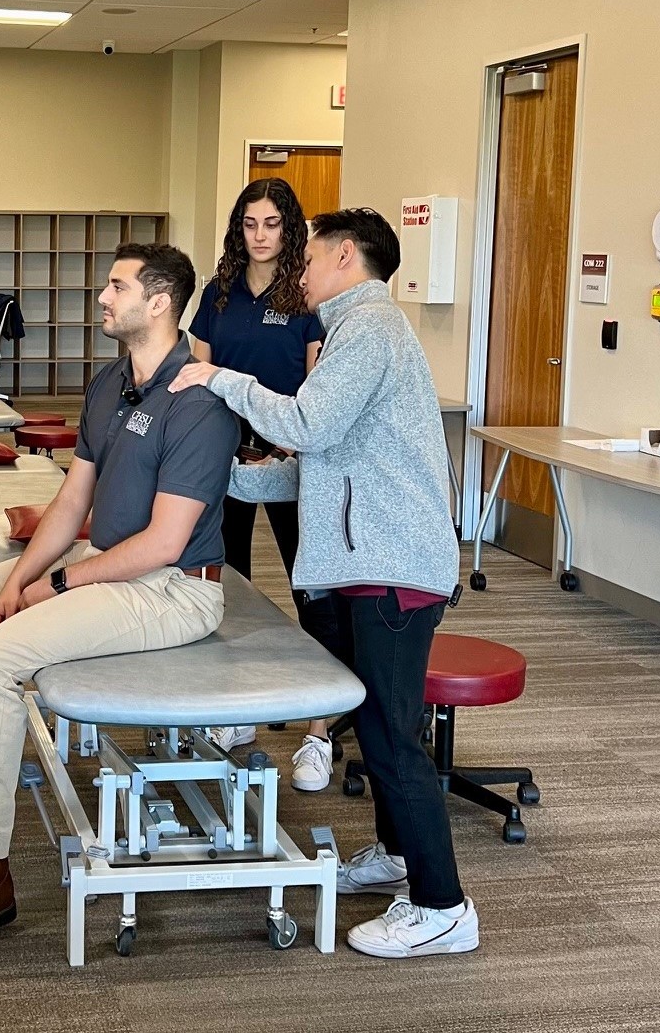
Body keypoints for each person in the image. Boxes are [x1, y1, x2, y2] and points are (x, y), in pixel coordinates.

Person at [0, 243, 238, 952]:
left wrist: (51, 588)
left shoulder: (200, 402)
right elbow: (71, 498)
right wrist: (23, 576)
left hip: (170, 591)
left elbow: (163, 545)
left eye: (116, 287)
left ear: (160, 302)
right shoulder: (112, 382)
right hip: (104, 562)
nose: (102, 298)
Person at [169, 207, 476, 959]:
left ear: (344, 257)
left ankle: (443, 906)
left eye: (311, 257)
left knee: (390, 736)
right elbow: (321, 463)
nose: (298, 269)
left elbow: (305, 425)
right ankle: (400, 860)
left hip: (391, 568)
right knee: (373, 723)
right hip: (366, 559)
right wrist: (223, 482)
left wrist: (219, 378)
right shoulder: (355, 330)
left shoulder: (368, 328)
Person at [188, 176, 337, 789]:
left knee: (313, 587)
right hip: (226, 456)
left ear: (290, 227)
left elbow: (316, 384)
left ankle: (318, 733)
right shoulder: (219, 290)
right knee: (229, 586)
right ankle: (239, 712)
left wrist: (281, 441)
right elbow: (194, 367)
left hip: (287, 456)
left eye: (272, 224)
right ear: (237, 227)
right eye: (250, 224)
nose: (260, 236)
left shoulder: (305, 292)